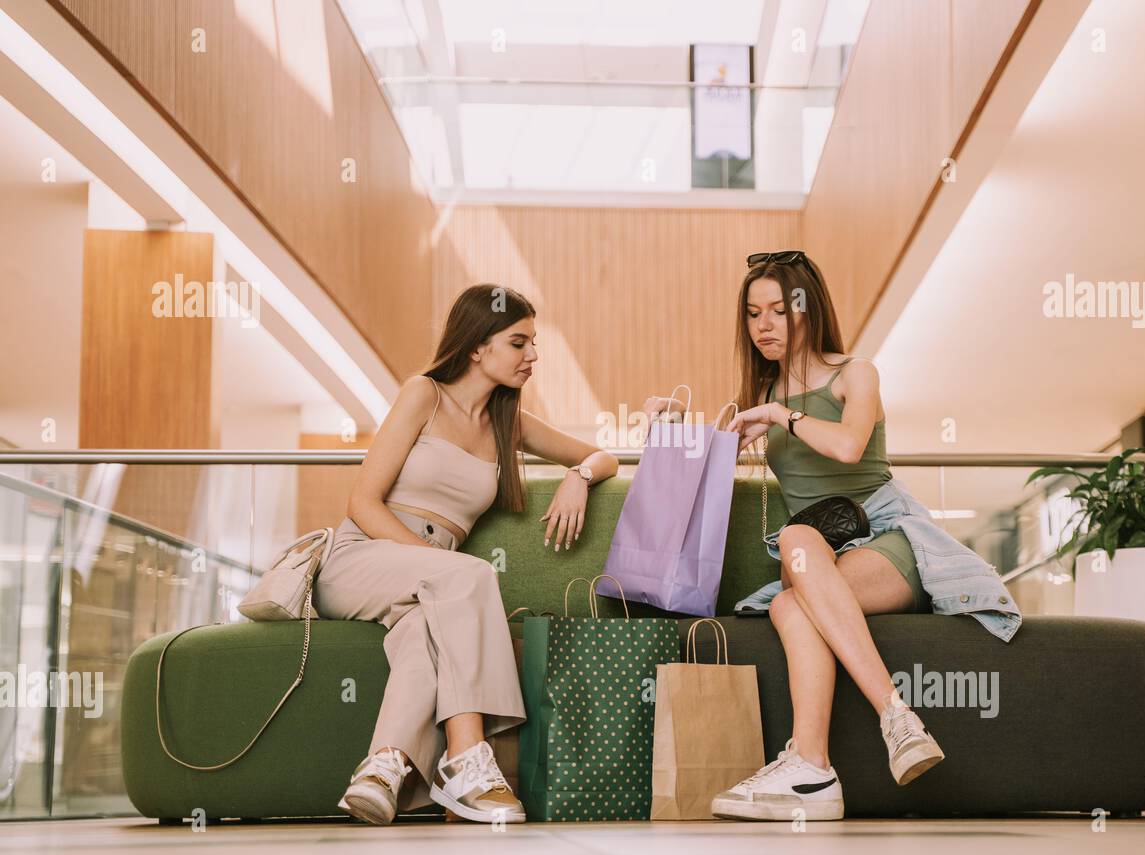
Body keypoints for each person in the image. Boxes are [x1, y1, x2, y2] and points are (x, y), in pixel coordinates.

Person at [644, 250, 1020, 822]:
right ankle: (816, 769)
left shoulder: (856, 373)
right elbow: (702, 474)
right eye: (752, 313)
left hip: (888, 539)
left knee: (795, 555)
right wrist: (669, 422)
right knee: (793, 594)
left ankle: (892, 715)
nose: (763, 325)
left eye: (777, 311)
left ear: (808, 311)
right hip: (817, 552)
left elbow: (847, 445)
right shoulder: (766, 391)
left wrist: (779, 415)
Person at [316, 283, 618, 825]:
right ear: (478, 346)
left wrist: (579, 476)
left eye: (533, 344)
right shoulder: (423, 394)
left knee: (424, 643)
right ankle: (466, 760)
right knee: (467, 576)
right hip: (365, 556)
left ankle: (384, 768)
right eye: (518, 342)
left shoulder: (508, 424)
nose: (533, 356)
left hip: (428, 582)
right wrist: (438, 568)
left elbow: (604, 456)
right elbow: (362, 501)